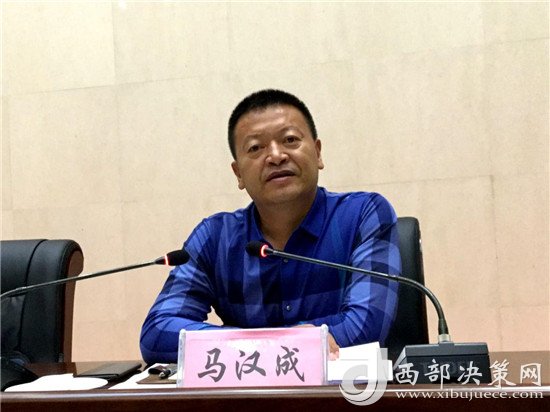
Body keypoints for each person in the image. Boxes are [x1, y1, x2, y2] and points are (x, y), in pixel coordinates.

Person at [140, 89, 401, 364]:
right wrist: (277, 344)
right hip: (250, 392)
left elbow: (366, 325)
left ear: (318, 153)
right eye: (256, 148)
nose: (276, 156)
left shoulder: (363, 215)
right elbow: (157, 333)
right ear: (238, 174)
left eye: (290, 140)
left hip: (343, 390)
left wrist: (243, 346)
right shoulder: (215, 238)